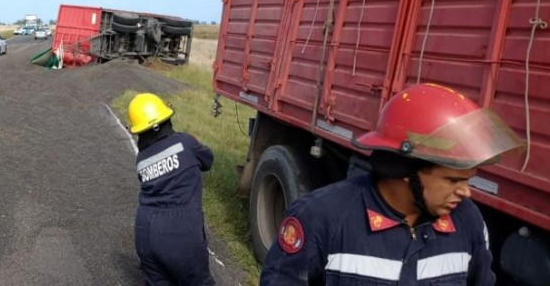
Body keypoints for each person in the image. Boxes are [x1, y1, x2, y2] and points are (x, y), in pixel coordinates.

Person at [260, 83, 525, 285]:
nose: (465, 191)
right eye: (453, 179)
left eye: (468, 179)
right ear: (403, 170)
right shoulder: (321, 218)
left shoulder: (467, 222)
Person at [128, 93, 215, 286]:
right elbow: (208, 160)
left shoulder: (141, 159)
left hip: (145, 232)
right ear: (164, 120)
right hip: (180, 231)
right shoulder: (186, 143)